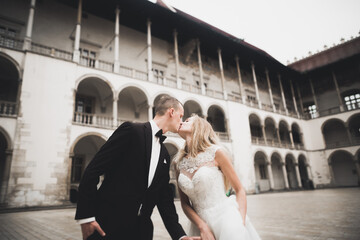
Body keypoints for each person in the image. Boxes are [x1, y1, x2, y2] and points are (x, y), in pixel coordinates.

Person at [75, 96, 200, 240]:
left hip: (142, 231)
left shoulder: (165, 154)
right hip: (107, 225)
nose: (182, 121)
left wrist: (180, 236)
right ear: (171, 112)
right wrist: (86, 217)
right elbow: (93, 170)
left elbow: (164, 200)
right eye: (181, 116)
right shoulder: (131, 131)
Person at [176, 115, 262, 240]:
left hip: (226, 218)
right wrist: (202, 226)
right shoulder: (178, 163)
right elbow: (185, 204)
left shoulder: (216, 152)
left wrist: (240, 224)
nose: (182, 122)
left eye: (187, 121)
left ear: (198, 127)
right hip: (199, 224)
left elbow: (240, 190)